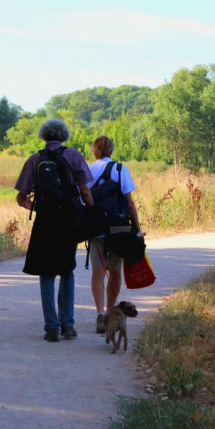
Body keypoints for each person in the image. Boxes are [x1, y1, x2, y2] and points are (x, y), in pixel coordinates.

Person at [15, 119, 94, 342]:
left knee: (47, 273)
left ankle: (51, 328)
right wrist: (89, 216)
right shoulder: (74, 156)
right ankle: (67, 325)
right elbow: (85, 191)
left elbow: (20, 196)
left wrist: (35, 206)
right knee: (67, 272)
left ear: (44, 136)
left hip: (45, 222)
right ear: (64, 136)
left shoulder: (34, 160)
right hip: (68, 221)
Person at [86, 135, 142, 333]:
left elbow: (83, 198)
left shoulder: (88, 170)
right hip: (118, 230)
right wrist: (137, 228)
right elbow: (129, 203)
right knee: (115, 271)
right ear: (112, 149)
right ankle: (111, 310)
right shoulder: (120, 169)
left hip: (96, 228)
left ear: (95, 150)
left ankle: (100, 313)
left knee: (98, 273)